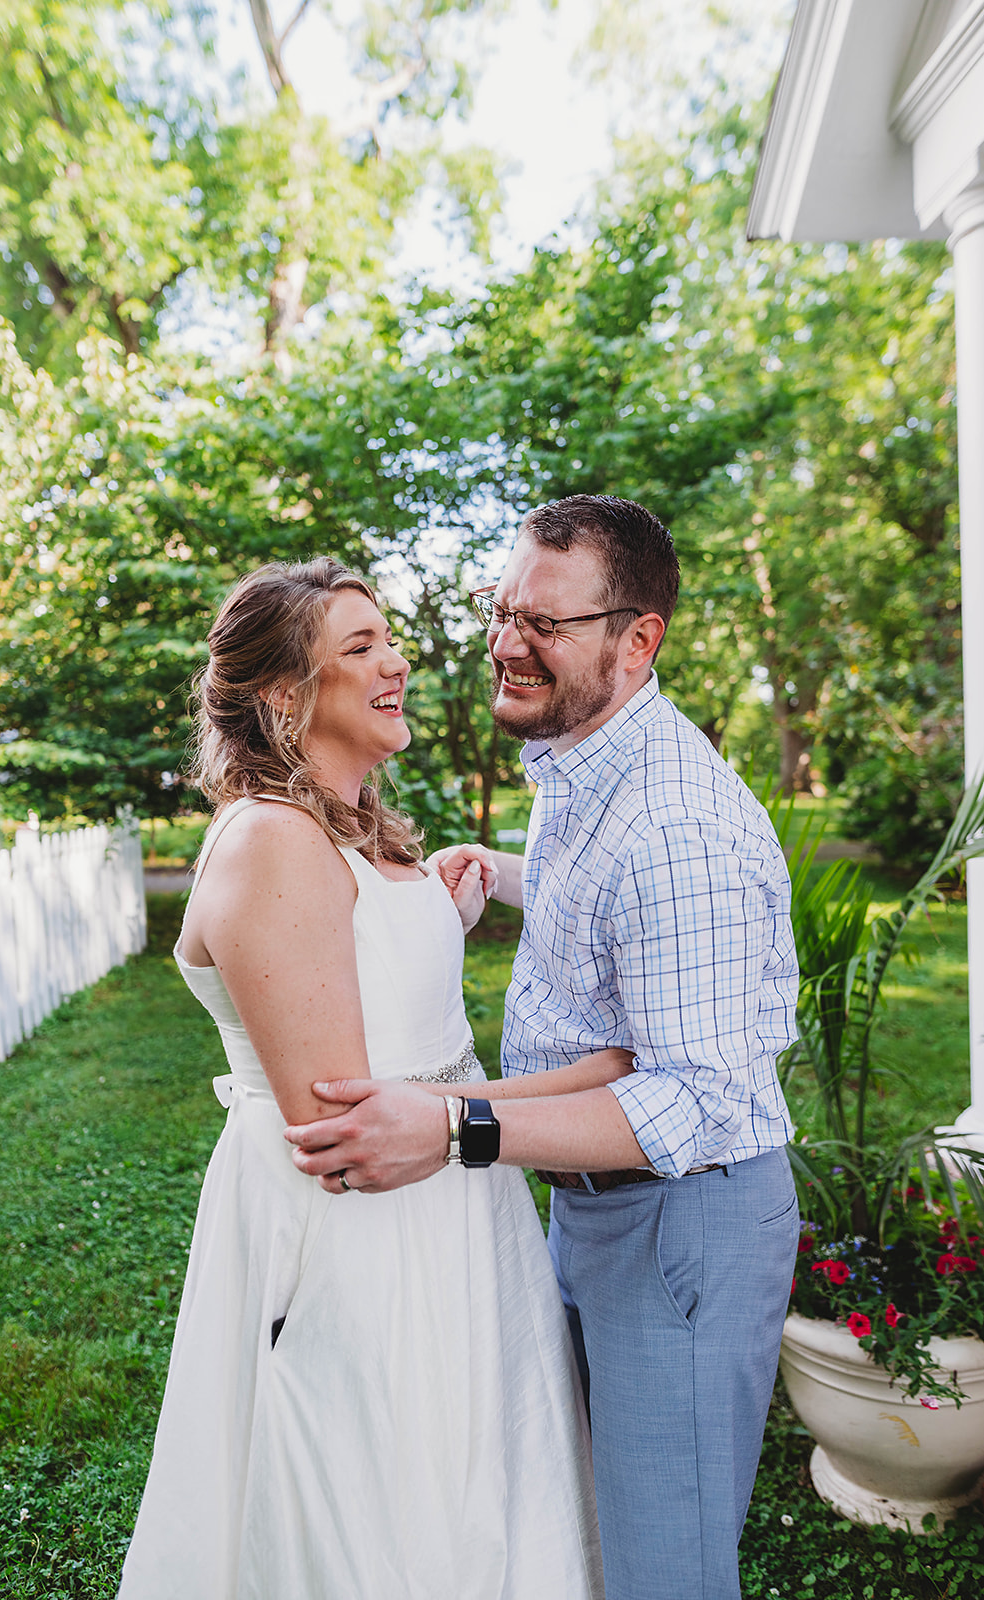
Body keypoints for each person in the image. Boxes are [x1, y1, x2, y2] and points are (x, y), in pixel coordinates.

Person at [286, 498, 801, 1600]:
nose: (506, 643)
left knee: (665, 1568)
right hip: (595, 1206)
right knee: (590, 1539)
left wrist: (460, 1127)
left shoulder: (677, 824)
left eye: (546, 624)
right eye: (501, 607)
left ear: (638, 638)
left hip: (684, 1227)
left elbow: (690, 1104)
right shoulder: (591, 755)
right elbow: (621, 916)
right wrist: (513, 873)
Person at [118, 556, 612, 1600]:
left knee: (472, 1479)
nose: (397, 662)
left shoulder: (352, 829)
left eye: (388, 640)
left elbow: (385, 1009)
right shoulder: (272, 842)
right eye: (360, 648)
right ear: (285, 697)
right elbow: (353, 1126)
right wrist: (582, 1087)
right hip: (363, 1233)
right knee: (383, 1509)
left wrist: (435, 915)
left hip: (452, 1210)